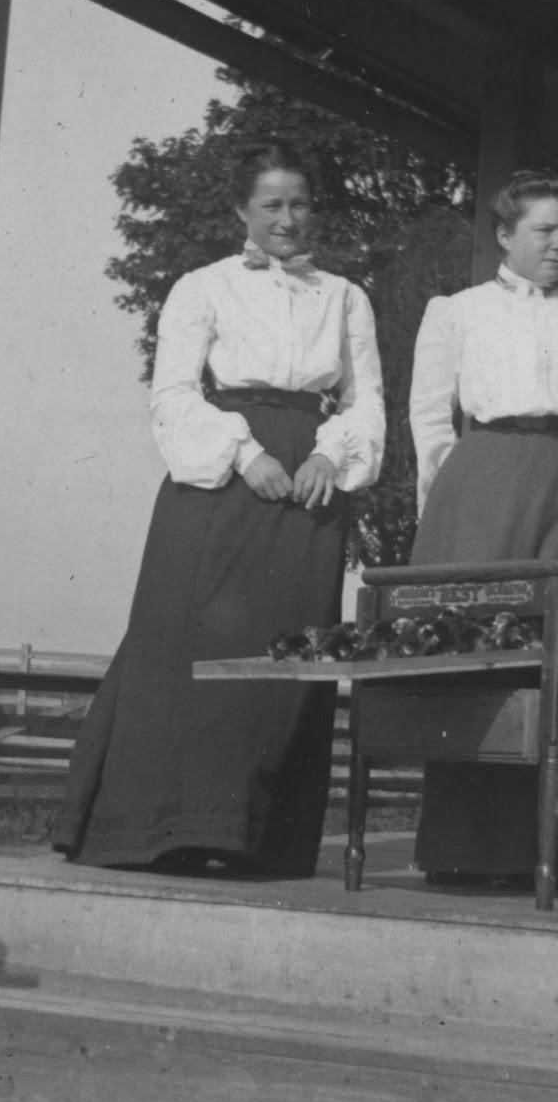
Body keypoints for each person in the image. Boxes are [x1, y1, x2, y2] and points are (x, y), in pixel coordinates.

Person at [54, 142, 385, 874]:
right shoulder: (200, 287)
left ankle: (259, 842)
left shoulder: (345, 296)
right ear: (242, 210)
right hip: (220, 479)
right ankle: (165, 831)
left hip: (311, 488)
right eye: (271, 204)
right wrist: (246, 453)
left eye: (299, 203)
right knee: (189, 650)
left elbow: (365, 398)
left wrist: (330, 455)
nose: (288, 219)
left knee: (287, 659)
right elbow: (173, 393)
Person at [406, 171, 558, 888]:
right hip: (480, 488)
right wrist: (452, 500)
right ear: (505, 235)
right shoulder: (457, 311)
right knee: (477, 654)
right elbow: (428, 417)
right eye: (545, 229)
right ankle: (466, 849)